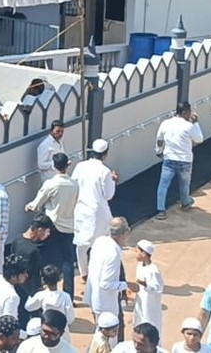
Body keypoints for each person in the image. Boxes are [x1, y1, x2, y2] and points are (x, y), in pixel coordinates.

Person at [27, 153, 78, 295]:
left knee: (43, 256)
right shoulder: (75, 184)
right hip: (69, 227)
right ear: (67, 165)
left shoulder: (51, 184)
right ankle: (69, 294)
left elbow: (36, 204)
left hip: (51, 226)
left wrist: (29, 207)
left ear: (54, 166)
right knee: (68, 261)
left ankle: (42, 288)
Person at [73, 139, 118, 276]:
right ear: (105, 154)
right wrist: (114, 180)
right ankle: (99, 272)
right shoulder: (105, 171)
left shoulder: (80, 166)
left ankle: (84, 273)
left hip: (81, 210)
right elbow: (109, 195)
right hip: (99, 212)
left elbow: (74, 184)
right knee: (103, 244)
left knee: (81, 246)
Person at [155, 102, 204, 219]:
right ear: (184, 112)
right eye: (189, 112)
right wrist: (196, 123)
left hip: (169, 159)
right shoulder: (188, 126)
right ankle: (185, 203)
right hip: (185, 160)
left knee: (163, 185)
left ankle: (161, 210)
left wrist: (158, 151)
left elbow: (159, 138)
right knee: (184, 184)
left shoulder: (165, 123)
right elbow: (199, 139)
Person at [87, 217, 129, 327]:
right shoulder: (113, 254)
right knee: (111, 338)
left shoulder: (99, 241)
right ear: (123, 233)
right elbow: (105, 284)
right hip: (106, 305)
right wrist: (125, 285)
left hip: (95, 299)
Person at [0, 254, 29, 335]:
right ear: (14, 276)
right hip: (1, 339)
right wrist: (26, 335)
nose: (26, 275)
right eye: (23, 273)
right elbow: (9, 325)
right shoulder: (12, 296)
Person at [131, 240, 164, 333]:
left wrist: (146, 285)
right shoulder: (139, 266)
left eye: (137, 252)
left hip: (150, 306)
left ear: (144, 253)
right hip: (140, 302)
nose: (135, 254)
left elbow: (158, 288)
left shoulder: (153, 270)